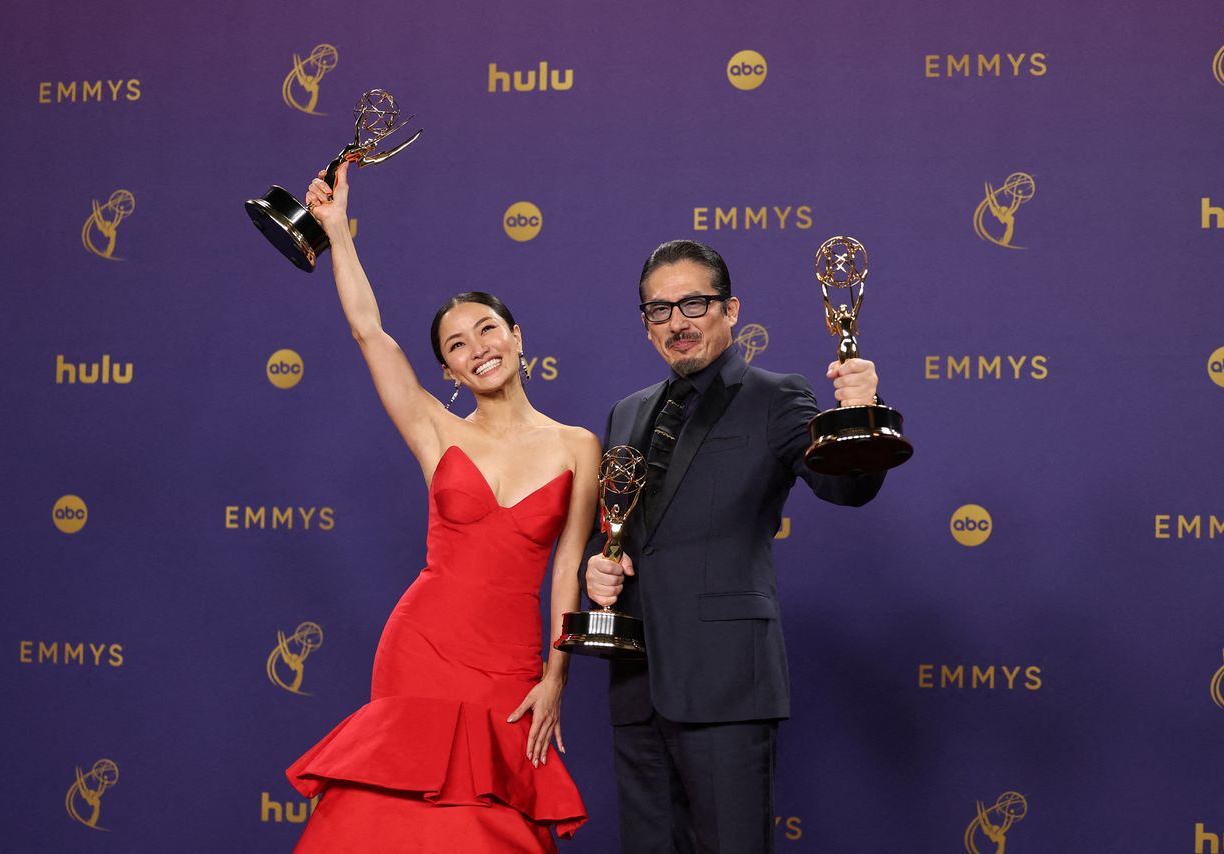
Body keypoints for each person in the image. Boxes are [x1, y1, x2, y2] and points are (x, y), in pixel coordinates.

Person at [286, 161, 599, 852]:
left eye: (487, 330)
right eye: (457, 345)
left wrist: (557, 676)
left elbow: (568, 569)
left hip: (511, 661)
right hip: (421, 648)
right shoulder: (437, 432)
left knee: (487, 826)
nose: (478, 349)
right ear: (449, 372)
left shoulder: (578, 446)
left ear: (517, 335)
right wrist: (337, 229)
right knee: (395, 823)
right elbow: (370, 331)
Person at [584, 239, 887, 853]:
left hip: (726, 685)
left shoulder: (776, 396)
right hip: (637, 686)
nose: (677, 322)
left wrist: (859, 413)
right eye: (660, 310)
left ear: (731, 309)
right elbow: (614, 527)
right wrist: (597, 567)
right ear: (646, 324)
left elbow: (846, 487)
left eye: (693, 304)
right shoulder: (625, 413)